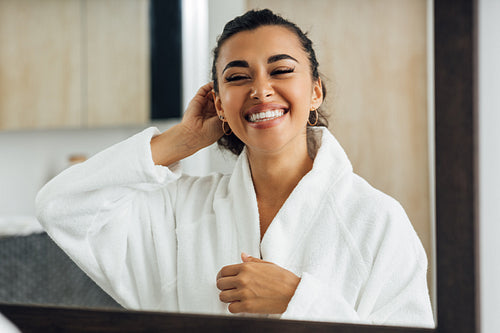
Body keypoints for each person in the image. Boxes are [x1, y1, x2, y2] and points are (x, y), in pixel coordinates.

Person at [36, 9, 434, 327]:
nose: (260, 90)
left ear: (315, 91)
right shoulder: (180, 211)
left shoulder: (376, 221)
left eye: (280, 70)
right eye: (239, 77)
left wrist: (297, 299)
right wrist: (182, 141)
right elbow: (61, 206)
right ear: (221, 104)